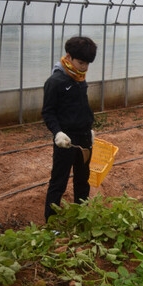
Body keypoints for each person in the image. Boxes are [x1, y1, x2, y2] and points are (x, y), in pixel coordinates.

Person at [42, 36, 97, 222]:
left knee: (83, 180)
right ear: (69, 57)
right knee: (59, 181)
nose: (84, 68)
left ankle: (81, 217)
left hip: (84, 138)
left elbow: (82, 106)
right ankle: (51, 223)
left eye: (87, 64)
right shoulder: (56, 82)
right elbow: (48, 112)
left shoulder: (80, 79)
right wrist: (57, 132)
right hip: (66, 140)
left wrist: (89, 127)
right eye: (81, 62)